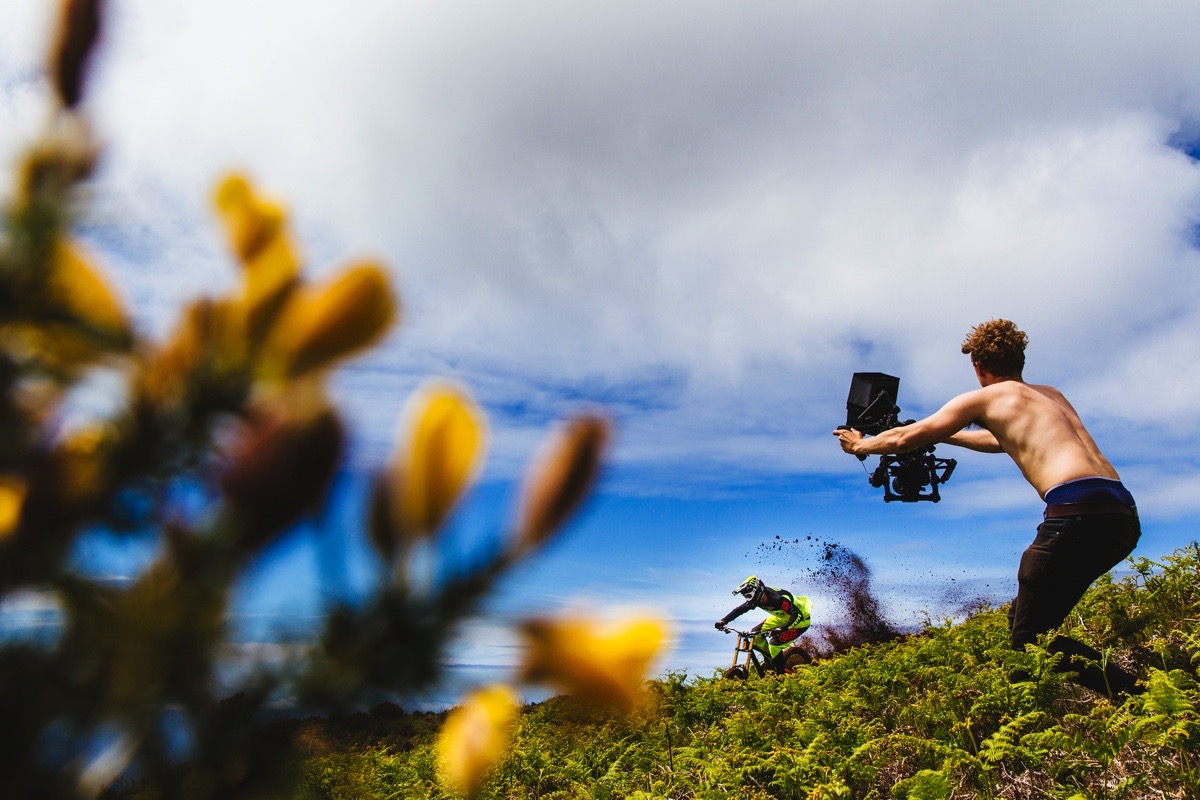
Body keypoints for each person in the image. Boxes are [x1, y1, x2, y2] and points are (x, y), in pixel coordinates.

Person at [832, 319, 1141, 697]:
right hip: (1121, 515)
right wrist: (949, 434)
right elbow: (1003, 441)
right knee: (1024, 620)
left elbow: (904, 438)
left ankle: (1139, 696)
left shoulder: (983, 398)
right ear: (1019, 360)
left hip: (1077, 514)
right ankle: (1071, 698)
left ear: (977, 366)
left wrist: (860, 445)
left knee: (1030, 641)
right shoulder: (1052, 395)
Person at [715, 575, 812, 673]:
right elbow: (740, 610)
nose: (748, 599)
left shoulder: (777, 599)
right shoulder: (758, 599)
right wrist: (724, 621)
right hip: (781, 617)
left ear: (757, 591)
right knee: (755, 635)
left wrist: (781, 629)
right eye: (746, 597)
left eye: (749, 596)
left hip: (801, 620)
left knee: (774, 645)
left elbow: (796, 615)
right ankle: (771, 660)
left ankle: (781, 675)